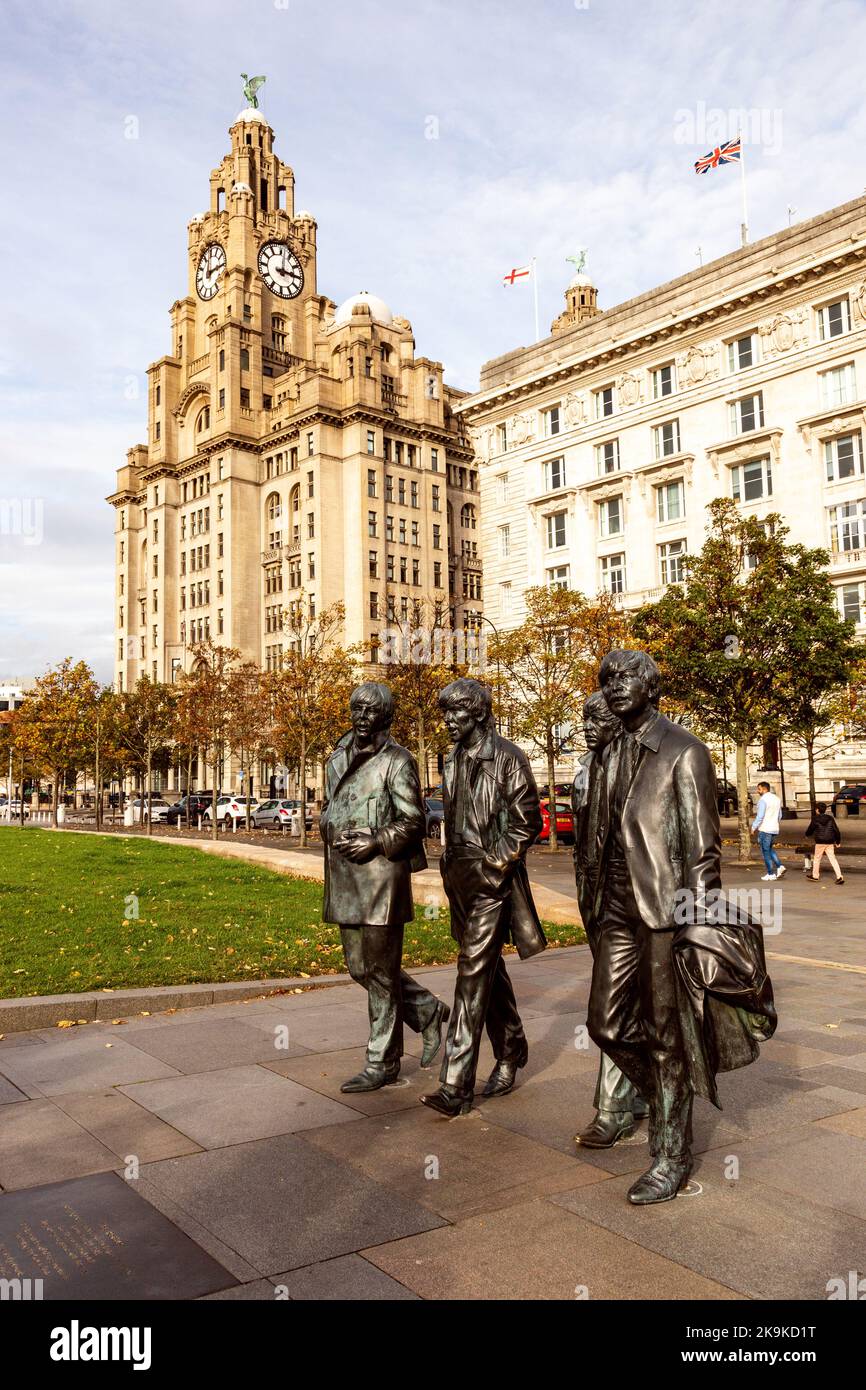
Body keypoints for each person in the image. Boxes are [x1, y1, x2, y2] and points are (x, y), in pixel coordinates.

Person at [587, 649, 776, 1205]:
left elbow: (702, 851)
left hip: (665, 911)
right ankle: (658, 1099)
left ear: (652, 687)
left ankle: (672, 1151)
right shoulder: (609, 749)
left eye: (626, 678)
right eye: (608, 679)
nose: (616, 686)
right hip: (616, 908)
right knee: (606, 1024)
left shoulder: (683, 750)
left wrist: (696, 924)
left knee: (668, 1036)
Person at [421, 678, 545, 1118]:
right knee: (487, 968)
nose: (448, 722)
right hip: (459, 878)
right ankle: (511, 1048)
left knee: (470, 975)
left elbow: (527, 821)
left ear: (476, 713)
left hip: (492, 878)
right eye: (445, 714)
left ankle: (455, 1085)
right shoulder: (452, 758)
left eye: (456, 713)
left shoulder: (508, 758)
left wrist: (495, 866)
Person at [320, 682, 450, 1093]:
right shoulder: (336, 759)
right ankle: (427, 1010)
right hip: (344, 877)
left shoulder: (398, 761)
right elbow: (329, 808)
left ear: (385, 717)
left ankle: (382, 1061)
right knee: (361, 968)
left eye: (369, 711)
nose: (360, 716)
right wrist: (329, 827)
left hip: (381, 878)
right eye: (356, 708)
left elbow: (414, 820)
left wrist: (375, 840)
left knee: (379, 972)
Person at [572, 690, 648, 1149]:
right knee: (620, 1003)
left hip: (642, 897)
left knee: (612, 1008)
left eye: (595, 718)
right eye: (583, 718)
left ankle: (615, 1108)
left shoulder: (649, 761)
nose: (586, 725)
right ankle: (641, 1088)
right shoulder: (587, 767)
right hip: (599, 897)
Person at [751, 781, 786, 881]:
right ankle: (779, 866)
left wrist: (753, 827)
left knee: (765, 851)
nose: (758, 791)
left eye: (759, 789)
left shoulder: (763, 800)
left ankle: (771, 873)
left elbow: (760, 816)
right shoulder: (777, 799)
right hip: (774, 828)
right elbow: (780, 815)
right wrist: (775, 823)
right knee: (770, 849)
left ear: (764, 789)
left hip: (765, 829)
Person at [805, 802, 844, 884]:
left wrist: (807, 835)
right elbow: (836, 830)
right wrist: (838, 841)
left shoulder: (815, 818)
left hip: (820, 842)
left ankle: (815, 876)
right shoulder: (830, 818)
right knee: (833, 859)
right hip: (830, 841)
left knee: (817, 859)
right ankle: (839, 876)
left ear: (817, 810)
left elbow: (810, 829)